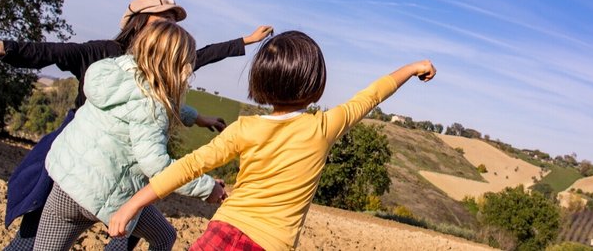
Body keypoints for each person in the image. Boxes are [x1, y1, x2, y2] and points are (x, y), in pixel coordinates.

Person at [0, 0, 272, 250]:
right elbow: (50, 52)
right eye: (165, 19)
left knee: (137, 229)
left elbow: (198, 63)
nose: (172, 27)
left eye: (175, 22)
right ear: (140, 21)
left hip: (109, 176)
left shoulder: (156, 63)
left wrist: (244, 43)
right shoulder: (103, 52)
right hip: (76, 161)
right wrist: (3, 47)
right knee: (28, 239)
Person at [109, 30, 436, 250]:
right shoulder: (322, 128)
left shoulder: (244, 128)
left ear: (261, 79)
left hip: (222, 230)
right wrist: (412, 67)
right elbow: (371, 96)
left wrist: (133, 204)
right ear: (315, 82)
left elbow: (188, 166)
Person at [33, 21, 226, 251]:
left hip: (67, 182)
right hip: (111, 195)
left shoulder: (113, 70)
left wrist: (198, 118)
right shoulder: (151, 105)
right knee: (164, 238)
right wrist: (207, 187)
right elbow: (156, 164)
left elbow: (150, 103)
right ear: (176, 66)